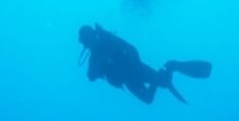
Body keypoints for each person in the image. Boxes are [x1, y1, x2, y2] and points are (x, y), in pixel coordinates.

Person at [78, 23, 211, 104]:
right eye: (85, 41)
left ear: (93, 34)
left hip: (136, 69)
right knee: (148, 98)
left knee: (164, 82)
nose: (88, 43)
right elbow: (90, 77)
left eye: (89, 38)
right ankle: (167, 69)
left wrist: (112, 59)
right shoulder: (94, 56)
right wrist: (99, 64)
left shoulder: (106, 39)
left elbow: (130, 48)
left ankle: (171, 66)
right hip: (127, 79)